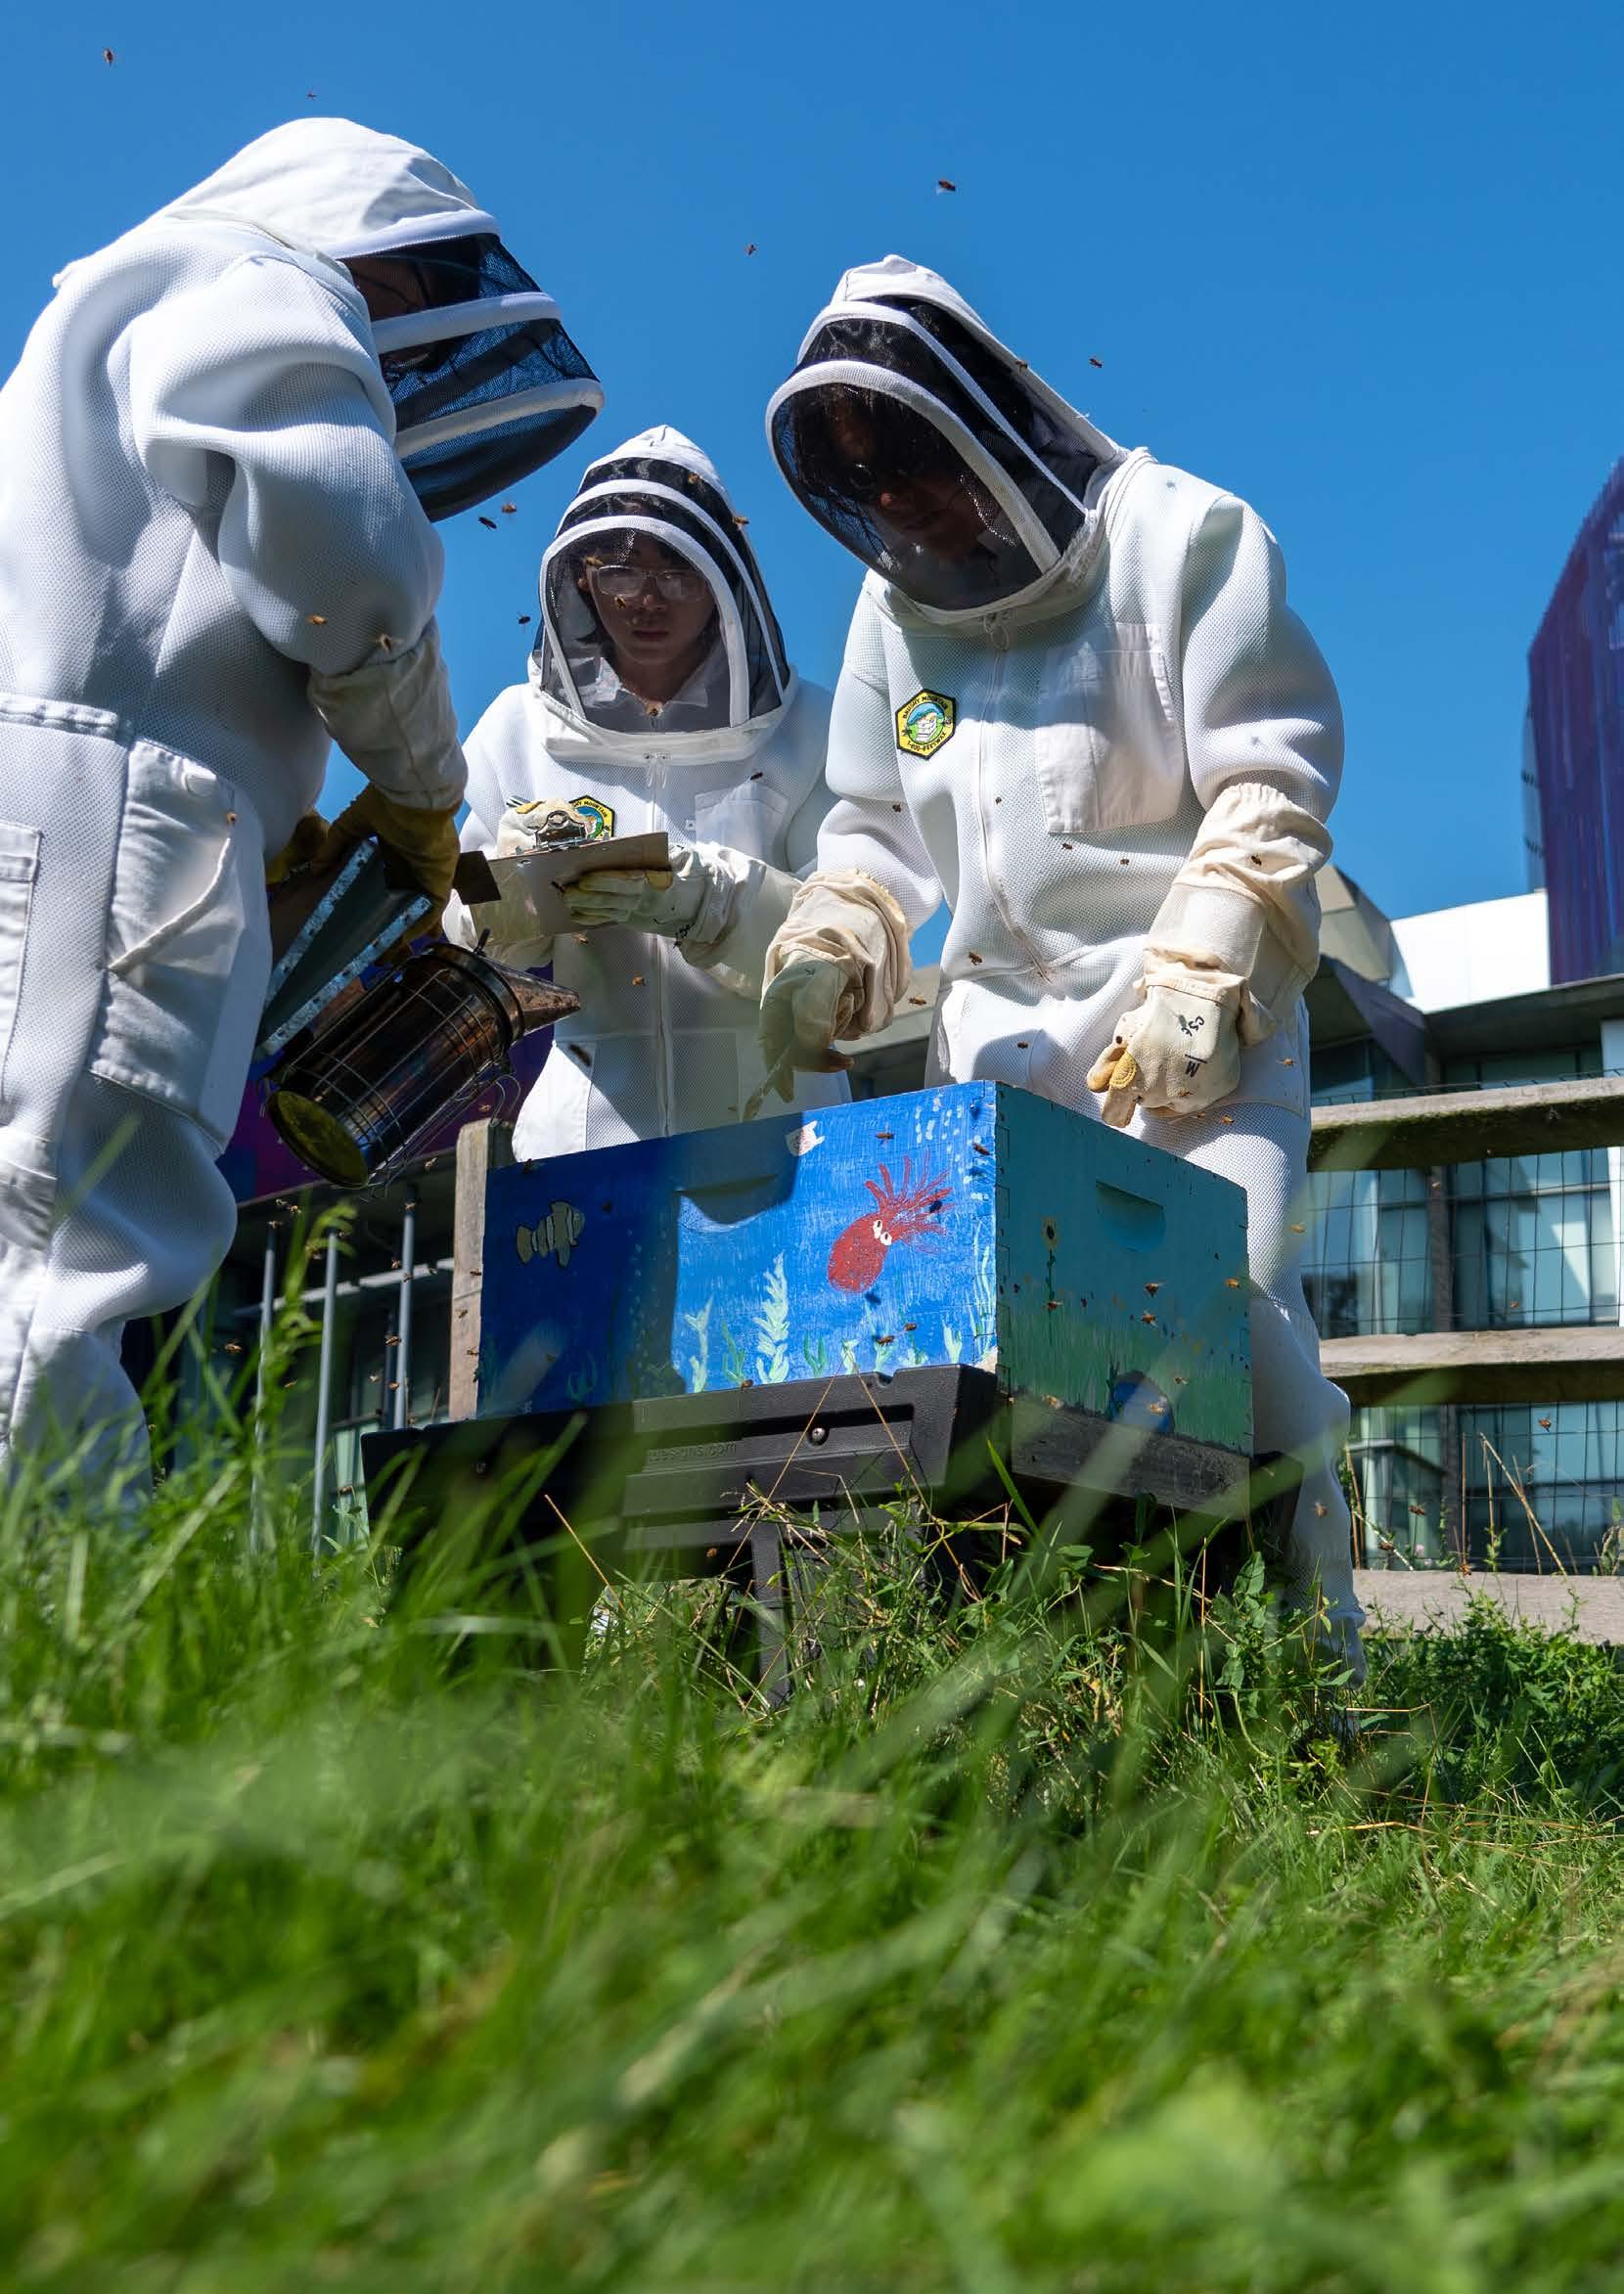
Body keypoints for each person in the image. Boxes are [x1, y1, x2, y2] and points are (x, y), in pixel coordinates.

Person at [757, 255, 1364, 1679]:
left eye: (912, 460)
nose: (902, 503)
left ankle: (1315, 1663)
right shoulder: (892, 613)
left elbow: (1270, 776)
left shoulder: (1185, 537)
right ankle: (1048, 1683)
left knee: (1227, 1323)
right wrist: (836, 935)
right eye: (867, 480)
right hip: (992, 1053)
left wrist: (1205, 968)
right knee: (982, 1366)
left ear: (978, 417)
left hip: (1193, 1032)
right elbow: (872, 822)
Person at [0, 117, 601, 1492]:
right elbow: (347, 555)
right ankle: (65, 1613)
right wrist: (423, 785)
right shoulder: (263, 280)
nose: (395, 333)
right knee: (65, 1250)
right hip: (117, 825)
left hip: (69, 805)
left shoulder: (103, 319)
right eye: (405, 291)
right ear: (365, 248)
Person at [448, 427, 846, 1157]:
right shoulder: (518, 729)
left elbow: (846, 932)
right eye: (621, 572)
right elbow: (461, 925)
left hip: (777, 1136)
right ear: (582, 579)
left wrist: (708, 897)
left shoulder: (807, 728)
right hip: (581, 1142)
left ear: (722, 581)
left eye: (679, 572)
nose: (648, 600)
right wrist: (505, 887)